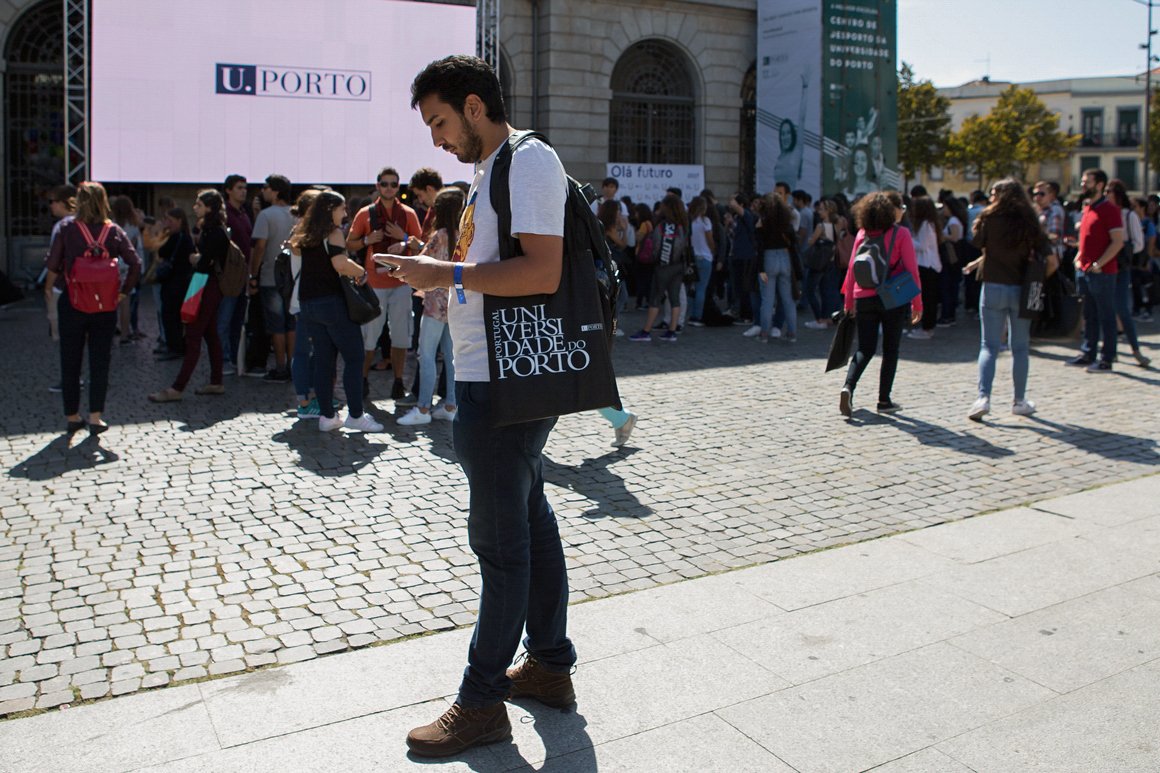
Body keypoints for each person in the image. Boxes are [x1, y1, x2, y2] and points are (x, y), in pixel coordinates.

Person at [386, 53, 577, 757]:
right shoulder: (491, 169)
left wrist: (444, 271)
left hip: (502, 381)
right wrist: (437, 273)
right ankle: (549, 665)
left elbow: (543, 270)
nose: (436, 139)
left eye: (439, 122)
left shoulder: (528, 161)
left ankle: (481, 700)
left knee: (500, 546)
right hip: (489, 375)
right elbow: (492, 267)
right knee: (530, 521)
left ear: (473, 105)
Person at [43, 181, 142, 435]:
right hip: (104, 305)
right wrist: (123, 292)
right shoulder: (114, 231)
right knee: (100, 361)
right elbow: (135, 263)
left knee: (70, 360)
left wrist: (49, 288)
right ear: (103, 201)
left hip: (73, 301)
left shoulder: (67, 228)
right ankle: (96, 417)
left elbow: (53, 264)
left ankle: (73, 416)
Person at [291, 190, 384, 432]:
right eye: (342, 208)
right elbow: (340, 263)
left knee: (324, 360)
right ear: (330, 210)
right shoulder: (332, 233)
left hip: (308, 303)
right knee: (354, 357)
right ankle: (355, 415)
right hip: (330, 303)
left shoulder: (305, 233)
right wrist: (361, 272)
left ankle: (327, 416)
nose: (345, 213)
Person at [962, 180, 1052, 421]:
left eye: (993, 193)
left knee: (989, 345)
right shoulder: (1030, 220)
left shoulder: (988, 218)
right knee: (1020, 347)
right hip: (1022, 288)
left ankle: (983, 398)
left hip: (993, 285)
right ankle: (1019, 400)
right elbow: (1048, 256)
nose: (991, 197)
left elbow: (979, 243)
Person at [345, 166, 423, 402]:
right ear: (378, 186)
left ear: (398, 187)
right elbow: (350, 244)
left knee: (400, 336)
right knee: (369, 337)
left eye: (394, 184)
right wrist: (367, 240)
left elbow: (421, 246)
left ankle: (398, 381)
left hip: (401, 283)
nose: (389, 188)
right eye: (385, 184)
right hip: (375, 284)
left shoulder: (408, 213)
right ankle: (363, 380)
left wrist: (404, 239)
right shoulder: (365, 214)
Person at [838, 191, 920, 416]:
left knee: (865, 348)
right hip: (893, 298)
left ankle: (848, 387)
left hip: (863, 296)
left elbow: (851, 270)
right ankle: (884, 400)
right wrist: (917, 303)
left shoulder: (862, 234)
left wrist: (848, 301)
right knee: (891, 349)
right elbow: (912, 270)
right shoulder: (901, 233)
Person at [148, 190, 231, 403]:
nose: (195, 208)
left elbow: (204, 262)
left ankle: (178, 387)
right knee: (210, 334)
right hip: (204, 284)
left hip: (207, 285)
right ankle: (216, 381)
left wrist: (195, 259)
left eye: (199, 204)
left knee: (193, 334)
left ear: (209, 208)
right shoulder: (211, 229)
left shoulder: (215, 232)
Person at [397, 186, 463, 425]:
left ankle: (423, 408)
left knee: (426, 356)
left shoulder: (439, 235)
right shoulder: (464, 235)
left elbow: (421, 263)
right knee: (451, 358)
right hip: (455, 304)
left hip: (435, 304)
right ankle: (450, 405)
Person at [1067, 169, 1124, 373]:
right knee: (1089, 314)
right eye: (1082, 182)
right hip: (1084, 270)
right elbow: (1086, 239)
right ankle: (1088, 352)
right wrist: (1078, 256)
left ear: (1099, 185)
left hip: (1103, 272)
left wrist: (1099, 264)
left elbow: (1117, 242)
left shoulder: (1110, 210)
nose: (1083, 185)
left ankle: (1107, 358)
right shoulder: (1088, 208)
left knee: (1106, 316)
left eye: (1087, 182)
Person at [249, 174, 296, 381]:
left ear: (275, 191)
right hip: (292, 277)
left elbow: (260, 246)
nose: (263, 191)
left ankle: (281, 367)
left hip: (271, 276)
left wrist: (253, 274)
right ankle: (294, 366)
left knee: (277, 325)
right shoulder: (296, 215)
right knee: (291, 323)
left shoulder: (265, 215)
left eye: (266, 187)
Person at [629, 193, 688, 342]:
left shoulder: (662, 225)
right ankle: (672, 331)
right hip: (678, 266)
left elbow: (656, 246)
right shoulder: (682, 225)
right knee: (675, 299)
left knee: (655, 298)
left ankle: (646, 331)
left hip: (662, 266)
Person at [1106, 180, 1151, 367]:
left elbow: (1139, 243)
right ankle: (1110, 351)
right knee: (1107, 309)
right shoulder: (1105, 213)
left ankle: (1135, 349)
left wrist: (1123, 250)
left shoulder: (1128, 215)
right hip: (1106, 265)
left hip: (1121, 266)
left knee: (1122, 308)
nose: (1106, 194)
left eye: (1109, 191)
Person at [219, 174, 253, 375]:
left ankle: (233, 357)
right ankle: (222, 359)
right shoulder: (225, 214)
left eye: (245, 188)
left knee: (237, 319)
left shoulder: (244, 214)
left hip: (244, 274)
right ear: (228, 190)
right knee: (224, 318)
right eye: (239, 188)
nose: (243, 191)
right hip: (230, 275)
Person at [45, 184, 77, 393]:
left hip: (62, 286)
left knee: (65, 336)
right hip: (82, 287)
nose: (50, 206)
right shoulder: (85, 223)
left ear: (64, 202)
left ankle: (71, 379)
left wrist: (47, 287)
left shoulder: (62, 227)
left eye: (53, 201)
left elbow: (54, 263)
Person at [755, 193, 800, 343]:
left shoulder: (763, 222)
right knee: (788, 299)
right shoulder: (786, 223)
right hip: (785, 257)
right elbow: (793, 242)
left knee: (767, 300)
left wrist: (760, 269)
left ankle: (764, 334)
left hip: (768, 258)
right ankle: (792, 333)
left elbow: (759, 246)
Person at [155, 207, 195, 360]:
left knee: (170, 315)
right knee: (176, 317)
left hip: (174, 283)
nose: (167, 223)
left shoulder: (176, 237)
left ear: (179, 221)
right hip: (181, 282)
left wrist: (161, 233)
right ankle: (179, 345)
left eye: (170, 220)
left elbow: (161, 251)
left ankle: (175, 347)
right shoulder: (185, 237)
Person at [109, 195, 145, 343]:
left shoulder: (111, 225)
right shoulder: (134, 226)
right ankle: (125, 334)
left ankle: (110, 333)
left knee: (110, 303)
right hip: (128, 267)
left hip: (113, 266)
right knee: (125, 302)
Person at [907, 196, 942, 339]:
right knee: (928, 299)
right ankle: (927, 327)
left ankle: (927, 328)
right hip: (929, 265)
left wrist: (907, 239)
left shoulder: (925, 225)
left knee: (927, 299)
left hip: (926, 265)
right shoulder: (929, 224)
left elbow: (922, 246)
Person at [686, 196, 716, 325]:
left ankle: (690, 313)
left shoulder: (689, 221)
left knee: (691, 288)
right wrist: (713, 250)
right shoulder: (705, 221)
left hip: (693, 257)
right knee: (701, 288)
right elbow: (710, 239)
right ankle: (697, 316)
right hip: (705, 256)